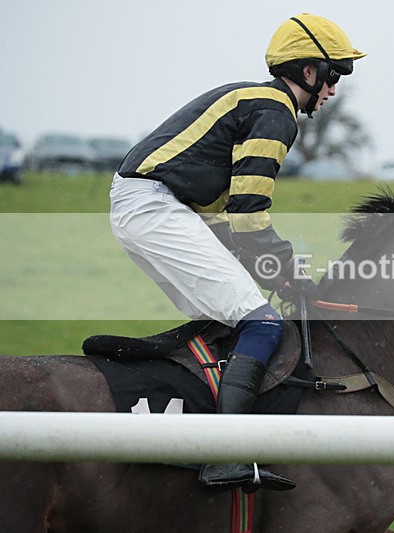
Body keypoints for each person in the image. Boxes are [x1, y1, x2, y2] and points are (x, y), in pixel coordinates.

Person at [109, 13, 365, 492]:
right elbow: (249, 214)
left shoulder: (258, 100)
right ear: (308, 71)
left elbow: (235, 223)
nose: (334, 89)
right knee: (262, 323)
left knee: (233, 321)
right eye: (334, 74)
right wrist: (285, 270)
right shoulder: (276, 112)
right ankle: (226, 454)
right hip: (156, 207)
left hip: (159, 206)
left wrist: (279, 272)